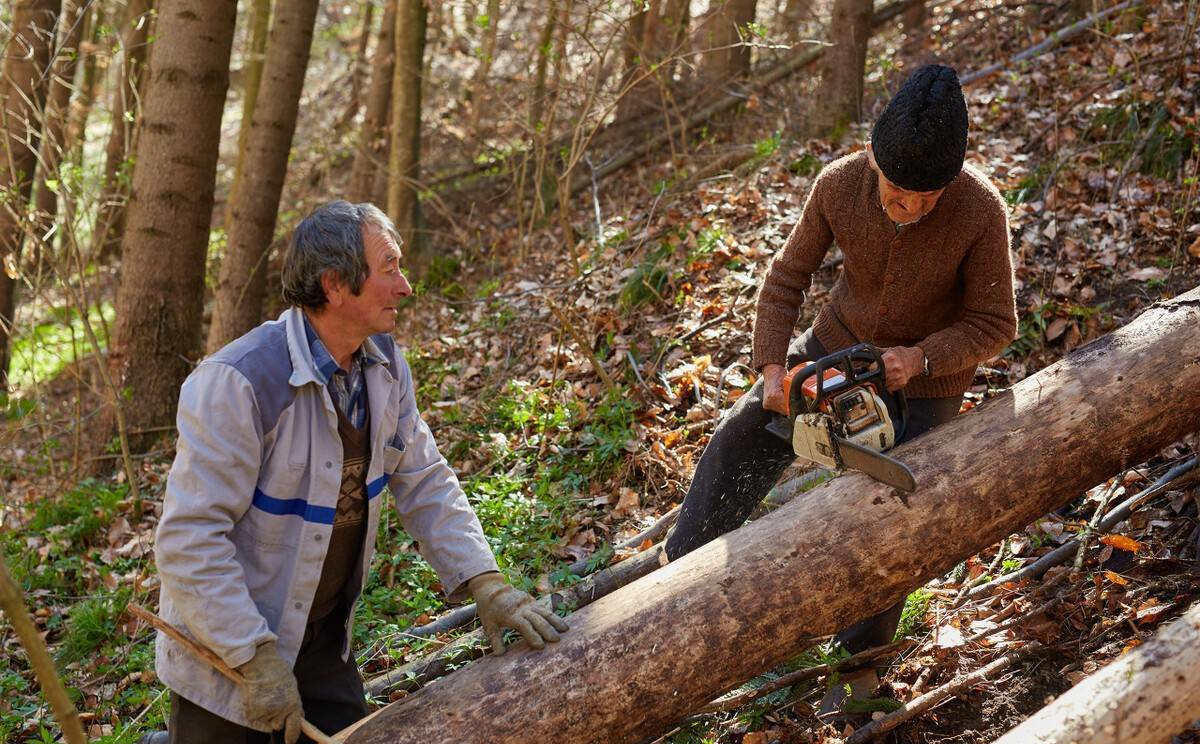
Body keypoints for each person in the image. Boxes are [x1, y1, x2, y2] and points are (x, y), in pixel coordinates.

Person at [663, 64, 1017, 712]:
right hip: (838, 344)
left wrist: (925, 358)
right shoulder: (838, 185)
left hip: (926, 381)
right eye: (894, 191)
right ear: (873, 158)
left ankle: (857, 672)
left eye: (924, 199)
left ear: (951, 183)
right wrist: (772, 368)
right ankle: (674, 587)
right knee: (741, 436)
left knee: (896, 512)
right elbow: (784, 279)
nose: (905, 207)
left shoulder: (980, 211)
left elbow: (996, 323)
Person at [146, 201, 567, 744]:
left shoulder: (385, 365)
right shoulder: (237, 383)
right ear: (335, 284)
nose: (406, 286)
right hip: (225, 653)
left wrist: (487, 584)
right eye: (389, 268)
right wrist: (251, 655)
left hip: (322, 644)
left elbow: (425, 479)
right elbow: (189, 539)